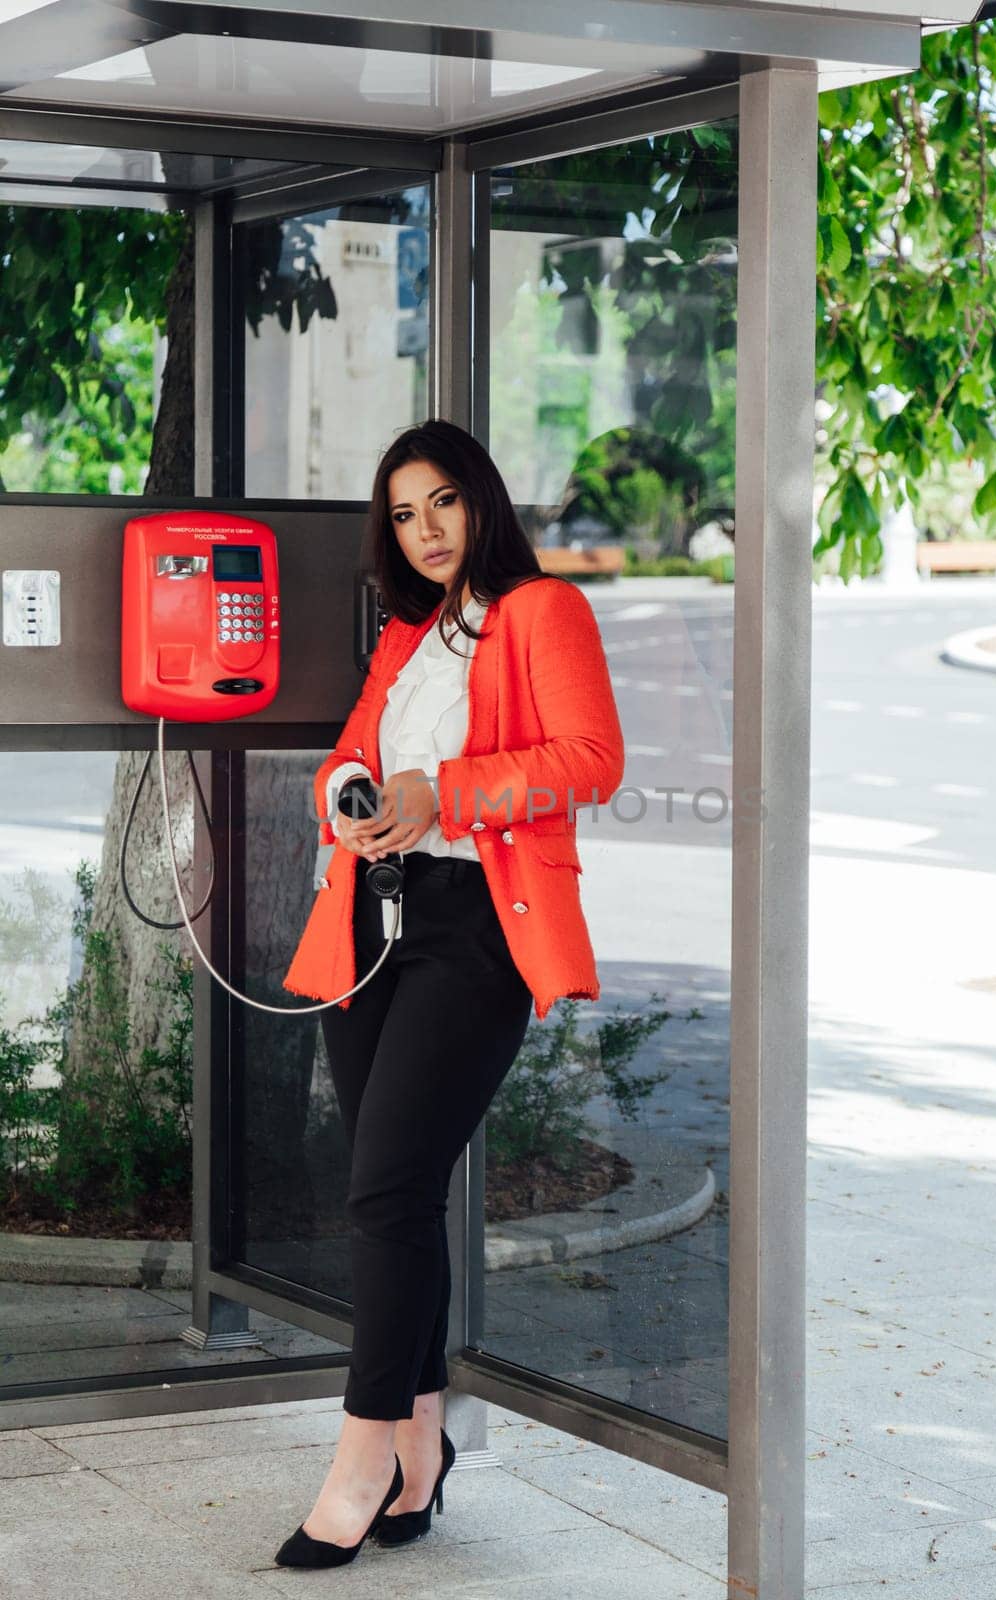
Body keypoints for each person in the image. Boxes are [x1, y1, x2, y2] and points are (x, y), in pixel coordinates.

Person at [275, 419, 625, 1569]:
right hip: (375, 921)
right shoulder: (406, 640)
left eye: (441, 504)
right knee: (393, 1193)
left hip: (476, 930)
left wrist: (446, 793)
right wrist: (358, 795)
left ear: (480, 501)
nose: (422, 530)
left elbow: (589, 757)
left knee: (385, 1187)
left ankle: (361, 1449)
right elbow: (344, 758)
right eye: (402, 513)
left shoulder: (541, 612)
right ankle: (421, 1447)